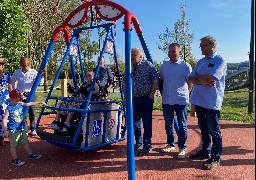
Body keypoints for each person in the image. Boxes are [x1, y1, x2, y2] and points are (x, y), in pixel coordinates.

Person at [188, 35, 227, 170]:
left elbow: (212, 78)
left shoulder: (220, 60)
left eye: (203, 45)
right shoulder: (201, 62)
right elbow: (191, 78)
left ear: (212, 46)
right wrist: (203, 80)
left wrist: (201, 79)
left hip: (211, 102)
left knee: (214, 130)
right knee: (204, 129)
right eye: (201, 46)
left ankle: (216, 157)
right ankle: (205, 151)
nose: (201, 48)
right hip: (199, 100)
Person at [123, 48, 159, 156]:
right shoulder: (128, 67)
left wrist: (151, 95)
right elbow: (125, 83)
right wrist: (126, 98)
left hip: (145, 98)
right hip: (134, 99)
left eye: (134, 55)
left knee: (147, 123)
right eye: (131, 55)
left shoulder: (148, 65)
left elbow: (155, 80)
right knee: (135, 123)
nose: (132, 57)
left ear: (140, 56)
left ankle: (147, 145)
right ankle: (139, 142)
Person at [160, 43, 192, 159]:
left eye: (173, 51)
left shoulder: (186, 66)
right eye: (169, 51)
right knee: (168, 124)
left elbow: (190, 82)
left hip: (181, 100)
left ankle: (182, 147)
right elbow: (162, 80)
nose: (171, 53)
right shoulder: (163, 66)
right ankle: (170, 143)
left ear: (179, 52)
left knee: (182, 125)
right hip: (167, 100)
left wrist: (185, 93)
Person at [2, 89, 46, 166]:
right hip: (13, 130)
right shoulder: (9, 108)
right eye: (18, 99)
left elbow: (29, 104)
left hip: (21, 128)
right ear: (12, 99)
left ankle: (30, 154)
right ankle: (15, 159)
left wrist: (40, 102)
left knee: (25, 142)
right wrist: (5, 130)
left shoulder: (20, 104)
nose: (19, 100)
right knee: (13, 145)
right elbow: (5, 119)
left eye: (20, 99)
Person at [11, 57, 38, 136]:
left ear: (29, 63)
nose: (26, 64)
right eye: (24, 63)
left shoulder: (33, 72)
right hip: (20, 94)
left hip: (31, 93)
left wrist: (41, 76)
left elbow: (40, 82)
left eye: (27, 63)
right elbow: (12, 81)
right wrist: (15, 91)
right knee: (20, 112)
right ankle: (24, 128)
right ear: (21, 64)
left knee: (32, 111)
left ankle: (33, 129)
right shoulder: (17, 72)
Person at [0, 57, 12, 146]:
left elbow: (10, 88)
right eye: (0, 63)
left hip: (5, 100)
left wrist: (14, 98)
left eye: (2, 64)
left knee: (5, 117)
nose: (1, 65)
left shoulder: (7, 75)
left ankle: (3, 138)